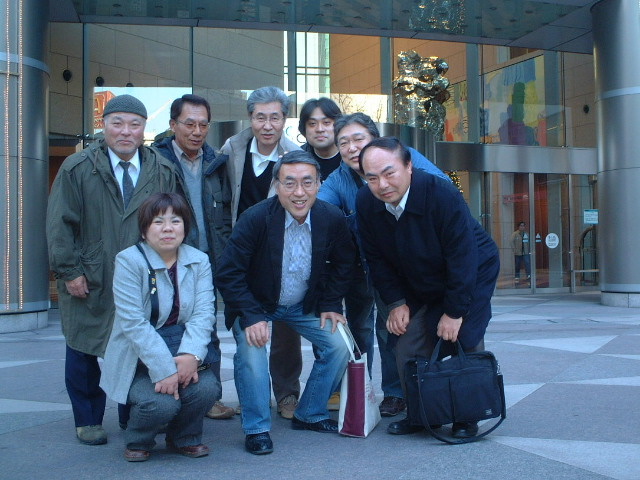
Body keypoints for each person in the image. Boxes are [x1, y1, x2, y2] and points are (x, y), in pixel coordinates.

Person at [46, 94, 180, 446]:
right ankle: (87, 419)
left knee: (136, 348)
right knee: (83, 348)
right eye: (117, 123)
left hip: (142, 278)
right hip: (90, 275)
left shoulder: (161, 170)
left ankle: (131, 415)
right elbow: (59, 224)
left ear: (143, 128)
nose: (125, 131)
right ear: (103, 125)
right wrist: (69, 271)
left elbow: (174, 223)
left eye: (134, 124)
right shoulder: (77, 168)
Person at [356, 137, 500, 438]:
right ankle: (422, 414)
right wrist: (396, 302)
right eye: (372, 178)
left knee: (465, 338)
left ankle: (467, 415)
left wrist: (455, 312)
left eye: (389, 173)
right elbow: (376, 259)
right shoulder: (366, 202)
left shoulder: (442, 194)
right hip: (420, 274)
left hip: (471, 270)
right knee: (407, 344)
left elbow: (462, 257)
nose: (382, 185)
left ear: (409, 166)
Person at [216, 151, 354, 455]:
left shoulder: (331, 217)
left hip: (303, 305)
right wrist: (251, 315)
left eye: (307, 182)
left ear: (319, 184)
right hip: (257, 305)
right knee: (251, 353)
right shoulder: (256, 218)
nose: (299, 192)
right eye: (289, 183)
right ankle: (256, 428)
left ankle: (310, 412)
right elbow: (228, 272)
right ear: (277, 186)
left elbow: (344, 264)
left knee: (339, 344)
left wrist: (331, 303)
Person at [319, 112, 452, 418]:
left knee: (391, 327)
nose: (352, 148)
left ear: (375, 139)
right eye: (343, 143)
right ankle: (358, 391)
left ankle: (396, 392)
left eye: (358, 139)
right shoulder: (337, 179)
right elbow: (322, 213)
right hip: (360, 263)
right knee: (359, 326)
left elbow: (442, 190)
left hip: (401, 264)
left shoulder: (405, 159)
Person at [101, 193, 220, 462]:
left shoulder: (198, 260)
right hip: (138, 356)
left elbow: (203, 314)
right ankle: (138, 439)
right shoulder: (129, 261)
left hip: (181, 347)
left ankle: (184, 437)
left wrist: (191, 356)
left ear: (185, 227)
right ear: (144, 230)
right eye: (158, 221)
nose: (168, 228)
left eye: (175, 221)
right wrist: (164, 369)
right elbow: (134, 323)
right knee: (160, 402)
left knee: (206, 389)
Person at [220, 86, 303, 420]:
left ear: (284, 119)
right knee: (246, 328)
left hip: (282, 253)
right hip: (243, 253)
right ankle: (252, 396)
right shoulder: (232, 148)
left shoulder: (294, 155)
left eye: (275, 118)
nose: (267, 125)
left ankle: (287, 394)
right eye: (260, 117)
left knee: (286, 331)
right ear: (250, 118)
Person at [153, 94, 235, 420]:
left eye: (203, 124)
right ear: (173, 125)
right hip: (168, 259)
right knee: (167, 325)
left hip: (208, 260)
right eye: (189, 124)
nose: (197, 131)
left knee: (206, 327)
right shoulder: (156, 161)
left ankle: (208, 397)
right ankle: (168, 393)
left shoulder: (217, 163)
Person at [298, 97, 342, 180]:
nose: (320, 129)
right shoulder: (298, 159)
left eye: (326, 122)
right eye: (312, 123)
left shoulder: (351, 156)